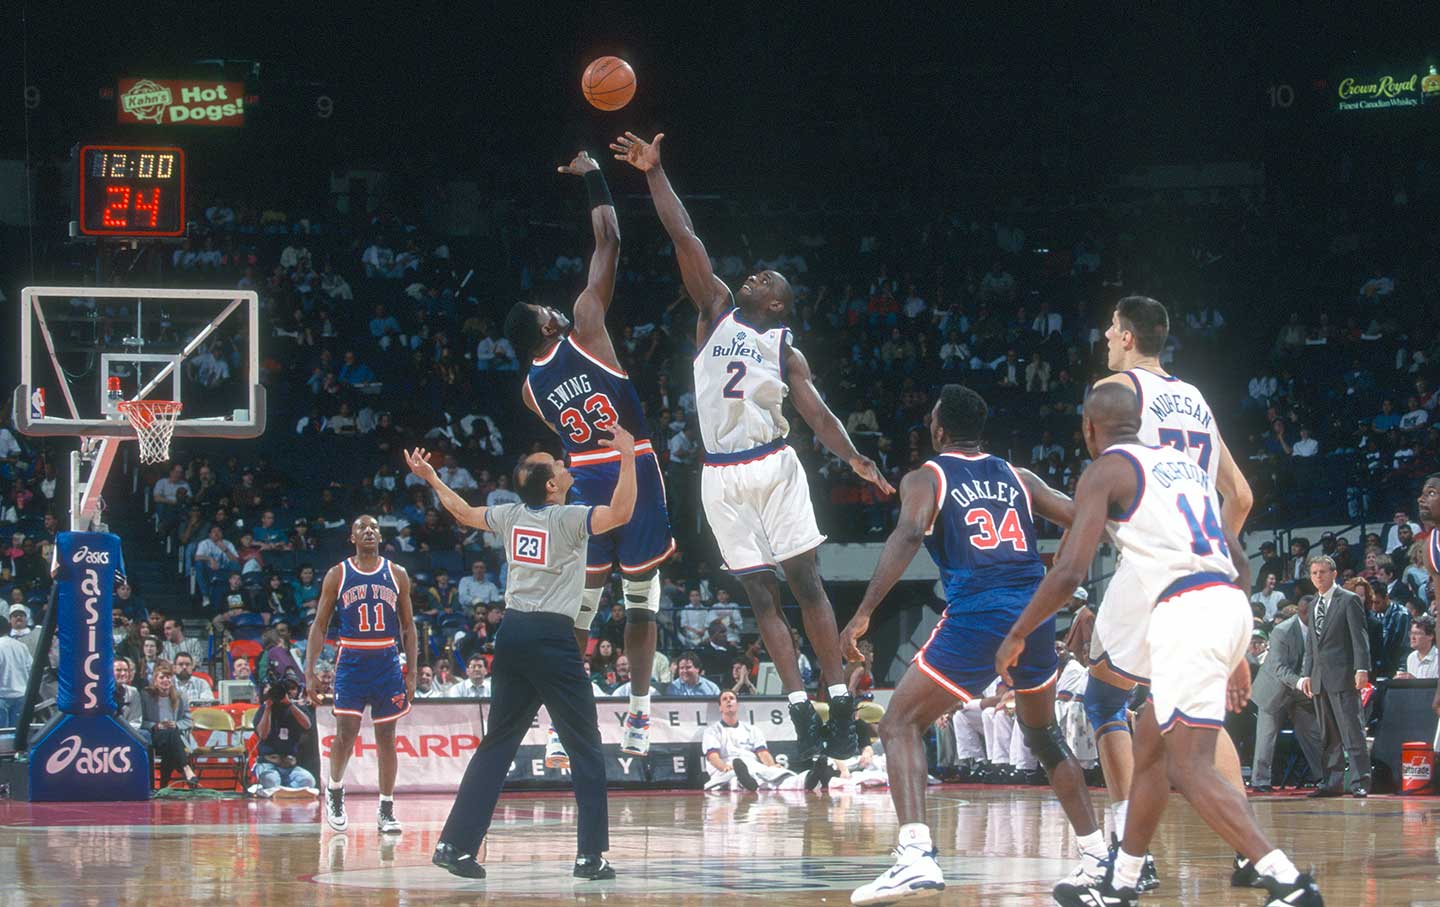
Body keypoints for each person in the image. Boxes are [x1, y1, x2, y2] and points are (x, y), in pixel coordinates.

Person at [615, 130, 893, 763]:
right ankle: (800, 712)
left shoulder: (783, 348)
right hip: (720, 472)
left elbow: (816, 413)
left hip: (774, 464)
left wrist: (852, 456)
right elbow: (685, 238)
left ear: (775, 303)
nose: (754, 274)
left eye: (767, 278)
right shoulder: (714, 310)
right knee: (760, 595)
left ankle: (839, 702)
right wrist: (655, 173)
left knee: (807, 582)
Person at [997, 383, 1321, 907]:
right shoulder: (1186, 468)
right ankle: (1121, 885)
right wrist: (1236, 649)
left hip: (1184, 611)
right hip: (1229, 604)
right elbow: (1238, 560)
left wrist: (1016, 633)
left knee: (1186, 765)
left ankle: (1287, 880)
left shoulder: (1104, 470)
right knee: (1149, 743)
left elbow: (1070, 572)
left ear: (1088, 428)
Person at [840, 385, 1105, 905]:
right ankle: (1098, 857)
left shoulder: (927, 476)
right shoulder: (1018, 477)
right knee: (1044, 733)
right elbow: (1082, 517)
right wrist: (1058, 573)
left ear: (939, 430)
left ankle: (915, 856)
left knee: (899, 723)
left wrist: (865, 610)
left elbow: (910, 533)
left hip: (980, 615)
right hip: (1035, 615)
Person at [406, 422, 638, 882]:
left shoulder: (510, 515)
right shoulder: (568, 518)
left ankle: (455, 845)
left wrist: (431, 479)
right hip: (553, 637)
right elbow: (622, 512)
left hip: (511, 635)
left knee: (497, 744)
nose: (563, 465)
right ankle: (590, 856)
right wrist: (628, 456)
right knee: (586, 747)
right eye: (557, 466)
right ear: (552, 485)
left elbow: (465, 514)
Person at [1081, 296, 1255, 891]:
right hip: (1208, 567)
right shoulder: (1198, 398)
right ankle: (1250, 854)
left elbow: (1109, 485)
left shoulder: (1118, 391)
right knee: (1190, 708)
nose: (1105, 334)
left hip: (1152, 566)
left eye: (1111, 327)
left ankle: (1131, 856)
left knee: (1104, 702)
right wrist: (1212, 550)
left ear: (1128, 337)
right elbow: (1243, 496)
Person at [505, 152, 673, 759]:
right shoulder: (584, 323)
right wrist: (596, 176)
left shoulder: (530, 388)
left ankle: (554, 722)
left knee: (582, 603)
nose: (552, 306)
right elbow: (611, 237)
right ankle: (638, 716)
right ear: (546, 325)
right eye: (543, 310)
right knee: (641, 596)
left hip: (583, 480)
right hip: (635, 464)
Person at [304, 515, 419, 835]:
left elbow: (409, 627)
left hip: (386, 661)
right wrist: (309, 670)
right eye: (362, 528)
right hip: (352, 660)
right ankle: (336, 791)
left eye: (374, 528)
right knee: (346, 733)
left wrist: (410, 672)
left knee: (387, 739)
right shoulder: (338, 574)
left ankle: (386, 808)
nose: (369, 531)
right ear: (351, 537)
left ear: (380, 536)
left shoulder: (397, 573)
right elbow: (320, 625)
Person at [1299, 555, 1372, 799]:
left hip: (1343, 676)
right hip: (1319, 678)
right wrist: (1306, 674)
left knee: (1352, 731)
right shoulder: (1312, 604)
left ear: (1334, 573)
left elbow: (1359, 638)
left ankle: (1361, 781)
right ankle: (1332, 782)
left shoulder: (1348, 600)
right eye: (1314, 573)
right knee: (1328, 736)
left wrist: (1362, 669)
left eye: (1322, 572)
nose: (1318, 576)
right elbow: (1311, 644)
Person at [1249, 601, 1324, 792]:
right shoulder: (1282, 631)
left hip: (1299, 689)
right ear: (1303, 612)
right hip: (1274, 687)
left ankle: (1324, 778)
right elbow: (1279, 668)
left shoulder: (1319, 627)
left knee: (1311, 732)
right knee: (1267, 737)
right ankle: (1260, 780)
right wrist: (1301, 682)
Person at [702, 690, 834, 791]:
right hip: (729, 766)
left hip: (752, 765)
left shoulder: (751, 729)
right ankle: (747, 783)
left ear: (737, 704)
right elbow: (713, 756)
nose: (729, 701)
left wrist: (771, 765)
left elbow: (763, 753)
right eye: (725, 699)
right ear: (720, 707)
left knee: (777, 774)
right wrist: (723, 767)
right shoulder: (712, 731)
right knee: (734, 779)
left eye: (732, 698)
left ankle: (808, 779)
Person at [252, 670, 317, 797]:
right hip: (268, 764)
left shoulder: (299, 709)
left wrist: (290, 705)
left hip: (290, 766)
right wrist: (268, 708)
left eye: (292, 689)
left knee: (308, 780)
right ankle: (283, 790)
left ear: (298, 691)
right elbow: (262, 734)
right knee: (272, 780)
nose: (288, 692)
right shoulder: (264, 709)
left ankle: (283, 791)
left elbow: (307, 725)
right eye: (286, 689)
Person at [142, 662, 200, 789]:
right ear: (155, 680)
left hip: (172, 738)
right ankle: (186, 768)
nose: (165, 680)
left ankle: (163, 786)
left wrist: (177, 724)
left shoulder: (180, 696)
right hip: (154, 737)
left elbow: (188, 720)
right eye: (162, 677)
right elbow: (141, 721)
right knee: (172, 736)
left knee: (172, 736)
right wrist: (156, 725)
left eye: (168, 677)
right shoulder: (146, 696)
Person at [0, 630, 31, 728]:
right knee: (17, 735)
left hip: (2, 696)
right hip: (21, 694)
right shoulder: (21, 646)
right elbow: (30, 668)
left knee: (2, 736)